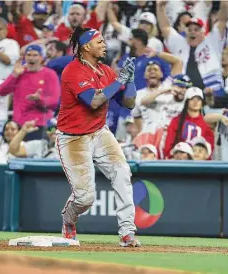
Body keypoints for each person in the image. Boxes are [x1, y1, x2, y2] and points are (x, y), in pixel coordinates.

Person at [56, 27, 140, 247]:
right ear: (86, 47)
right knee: (85, 198)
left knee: (122, 172)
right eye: (100, 42)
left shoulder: (106, 71)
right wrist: (118, 81)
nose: (105, 45)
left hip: (99, 132)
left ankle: (127, 232)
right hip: (73, 137)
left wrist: (129, 80)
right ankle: (68, 221)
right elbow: (93, 101)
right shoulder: (72, 70)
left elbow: (129, 104)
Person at [157, 0, 226, 91]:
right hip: (184, 91)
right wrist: (160, 7)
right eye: (189, 29)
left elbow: (222, 20)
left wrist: (225, 4)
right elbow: (165, 27)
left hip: (212, 90)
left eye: (196, 29)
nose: (192, 32)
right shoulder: (179, 43)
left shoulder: (212, 40)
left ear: (203, 32)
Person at [0, 45, 60, 141]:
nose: (31, 58)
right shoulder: (19, 73)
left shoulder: (50, 74)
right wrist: (14, 75)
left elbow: (54, 102)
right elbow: (1, 91)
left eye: (35, 55)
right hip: (18, 125)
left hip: (40, 124)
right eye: (29, 55)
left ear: (41, 58)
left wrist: (40, 99)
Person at [163, 87, 214, 159]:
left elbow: (209, 148)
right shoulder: (176, 121)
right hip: (179, 161)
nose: (195, 102)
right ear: (186, 101)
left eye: (198, 99)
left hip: (199, 162)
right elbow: (168, 144)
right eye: (192, 99)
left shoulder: (206, 122)